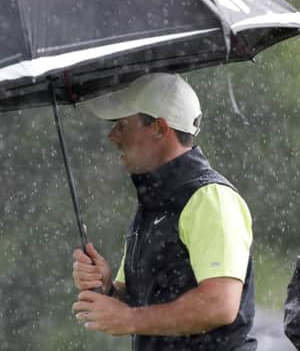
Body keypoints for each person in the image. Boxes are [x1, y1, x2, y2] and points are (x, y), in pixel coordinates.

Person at [71, 73, 256, 350]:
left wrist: (130, 319)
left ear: (159, 128)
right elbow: (136, 303)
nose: (113, 136)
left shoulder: (210, 198)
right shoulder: (152, 202)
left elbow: (220, 304)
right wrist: (107, 288)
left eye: (122, 124)